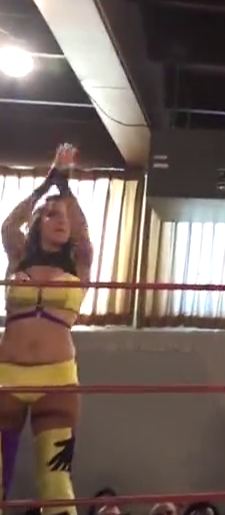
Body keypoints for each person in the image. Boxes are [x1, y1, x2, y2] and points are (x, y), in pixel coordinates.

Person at [0, 144, 93, 514]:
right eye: (51, 213)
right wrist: (45, 185)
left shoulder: (79, 261)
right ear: (37, 221)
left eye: (65, 215)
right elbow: (9, 225)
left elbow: (84, 233)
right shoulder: (19, 256)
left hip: (57, 381)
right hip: (6, 376)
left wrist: (64, 183)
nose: (61, 219)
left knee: (56, 484)